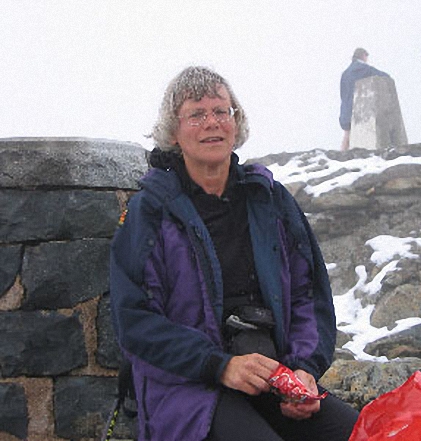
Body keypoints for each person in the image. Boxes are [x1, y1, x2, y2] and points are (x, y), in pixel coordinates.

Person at [109, 66, 359, 441]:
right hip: (187, 386)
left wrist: (305, 369)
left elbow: (308, 295)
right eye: (196, 114)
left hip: (271, 375)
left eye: (221, 111)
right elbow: (135, 321)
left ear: (235, 123)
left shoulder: (269, 199)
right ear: (174, 132)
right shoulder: (151, 211)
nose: (212, 123)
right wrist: (219, 366)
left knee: (361, 433)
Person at [339, 48, 389, 151]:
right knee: (364, 136)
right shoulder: (364, 69)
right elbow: (384, 76)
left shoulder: (345, 73)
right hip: (360, 108)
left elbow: (342, 93)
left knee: (348, 134)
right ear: (363, 56)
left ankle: (342, 155)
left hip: (346, 109)